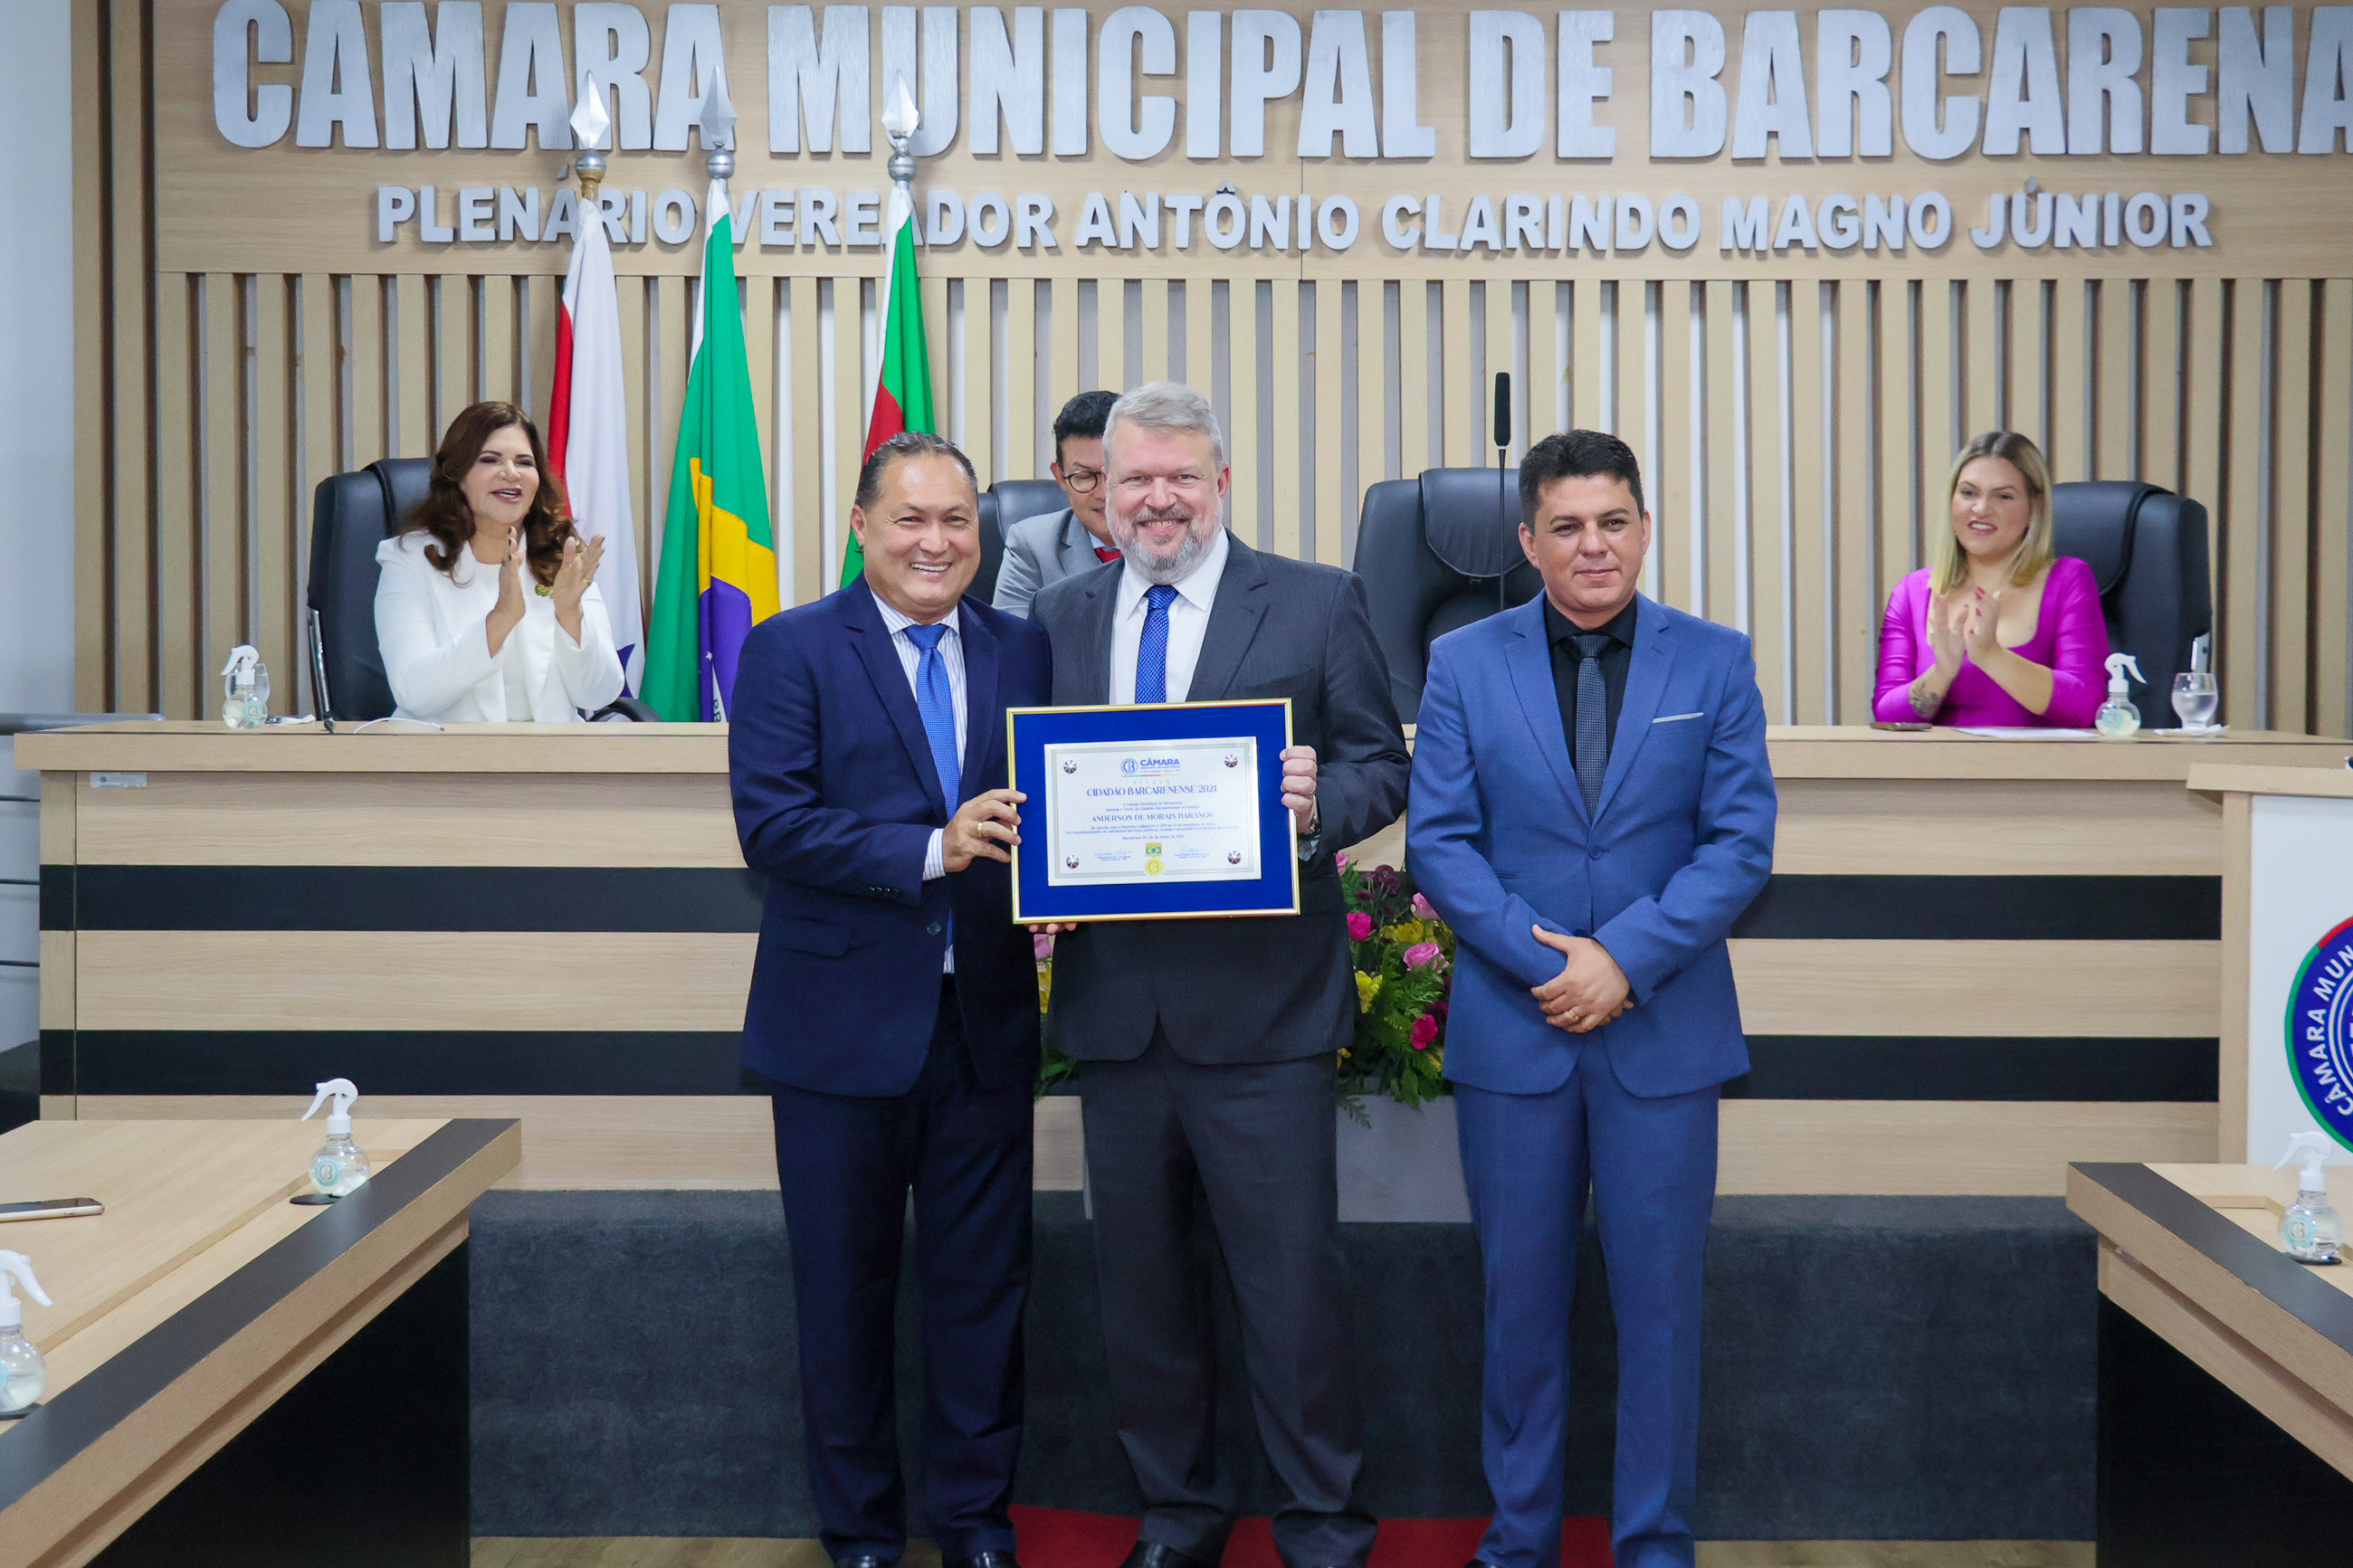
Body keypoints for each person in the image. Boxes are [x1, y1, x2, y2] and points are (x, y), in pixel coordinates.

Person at [1027, 382, 1408, 1568]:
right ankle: (1179, 1517)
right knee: (1142, 1304)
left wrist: (1312, 809)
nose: (1156, 499)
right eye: (1133, 477)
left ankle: (1325, 1531)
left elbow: (1379, 768)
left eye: (1180, 477)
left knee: (1294, 1303)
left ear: (1221, 482)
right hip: (1116, 1017)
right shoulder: (1062, 615)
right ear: (1103, 489)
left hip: (1266, 1017)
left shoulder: (1315, 600)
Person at [1406, 430, 1776, 1568]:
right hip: (1516, 1034)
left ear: (1644, 527)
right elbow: (1441, 842)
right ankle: (1515, 1542)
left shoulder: (1712, 661)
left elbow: (1738, 843)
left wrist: (1621, 958)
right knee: (1519, 1313)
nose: (1592, 545)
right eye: (1564, 526)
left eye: (1612, 520)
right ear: (1527, 540)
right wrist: (1547, 961)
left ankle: (1652, 1544)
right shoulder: (1464, 662)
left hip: (1660, 1032)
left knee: (1659, 1314)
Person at [728, 432, 1053, 1568]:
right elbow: (770, 825)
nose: (935, 540)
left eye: (956, 519)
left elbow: (1051, 809)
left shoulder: (1024, 646)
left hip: (985, 1027)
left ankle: (974, 1525)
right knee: (843, 1298)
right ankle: (860, 1534)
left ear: (982, 532)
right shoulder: (790, 648)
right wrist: (931, 847)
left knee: (982, 1299)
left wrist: (1058, 886)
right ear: (861, 525)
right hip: (836, 1036)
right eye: (910, 518)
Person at [374, 400, 624, 722]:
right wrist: (501, 619)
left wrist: (570, 615)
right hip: (445, 761)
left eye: (524, 462)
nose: (511, 473)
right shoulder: (408, 559)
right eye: (490, 460)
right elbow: (412, 692)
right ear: (457, 475)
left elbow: (600, 693)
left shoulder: (561, 557)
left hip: (551, 762)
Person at [1872, 430, 2109, 727]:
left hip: (2035, 771)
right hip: (1937, 770)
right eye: (1968, 493)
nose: (1981, 508)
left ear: (2036, 508)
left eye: (2004, 496)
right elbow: (1886, 716)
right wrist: (1941, 673)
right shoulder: (1912, 592)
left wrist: (1992, 656)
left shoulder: (2068, 580)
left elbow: (2087, 706)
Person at [992, 389, 1122, 616]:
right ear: (1061, 476)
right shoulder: (1032, 545)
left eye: (1115, 474)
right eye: (1083, 476)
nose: (1103, 494)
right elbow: (1011, 643)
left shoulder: (1173, 538)